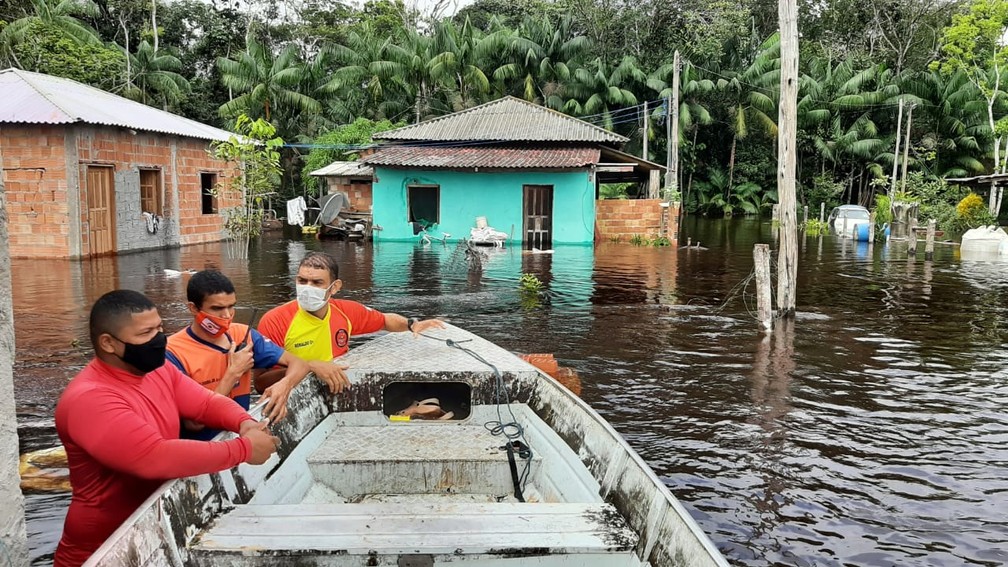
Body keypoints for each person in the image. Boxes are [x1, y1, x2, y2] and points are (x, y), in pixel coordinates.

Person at [54, 290, 279, 567]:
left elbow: (206, 403)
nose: (159, 339)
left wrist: (245, 423)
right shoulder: (90, 398)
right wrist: (243, 449)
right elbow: (153, 458)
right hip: (103, 547)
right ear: (108, 343)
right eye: (146, 333)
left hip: (151, 529)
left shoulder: (158, 369)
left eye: (160, 328)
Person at [256, 251, 445, 390]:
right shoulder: (275, 321)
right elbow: (260, 382)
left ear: (334, 287)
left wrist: (412, 324)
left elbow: (385, 320)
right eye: (302, 281)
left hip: (338, 387)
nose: (307, 288)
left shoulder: (346, 311)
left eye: (316, 283)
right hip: (294, 393)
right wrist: (308, 367)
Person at [166, 270, 313, 433]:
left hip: (242, 435)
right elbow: (195, 424)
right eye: (217, 308)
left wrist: (284, 385)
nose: (227, 315)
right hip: (207, 446)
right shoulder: (172, 352)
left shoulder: (244, 334)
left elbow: (299, 364)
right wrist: (233, 373)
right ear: (193, 308)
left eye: (231, 306)